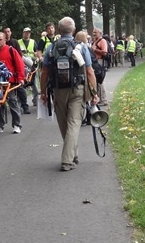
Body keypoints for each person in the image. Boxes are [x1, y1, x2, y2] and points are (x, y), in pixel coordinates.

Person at [40, 17, 99, 171]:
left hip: (58, 90)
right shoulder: (81, 47)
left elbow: (44, 72)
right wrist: (93, 92)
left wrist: (43, 92)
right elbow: (90, 72)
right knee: (74, 123)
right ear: (73, 30)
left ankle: (73, 155)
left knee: (65, 124)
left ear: (59, 30)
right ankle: (67, 161)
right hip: (77, 90)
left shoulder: (51, 48)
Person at [0, 32, 26, 133]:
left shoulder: (11, 50)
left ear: (5, 40)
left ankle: (17, 125)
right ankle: (0, 125)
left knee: (12, 102)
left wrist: (21, 78)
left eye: (0, 39)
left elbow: (20, 64)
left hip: (10, 82)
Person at [4, 26, 30, 114]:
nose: (7, 33)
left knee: (20, 88)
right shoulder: (1, 44)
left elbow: (19, 55)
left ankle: (25, 106)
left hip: (15, 68)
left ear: (10, 32)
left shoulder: (14, 42)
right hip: (5, 70)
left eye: (8, 31)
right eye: (5, 32)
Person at [18, 27, 40, 107]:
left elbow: (37, 52)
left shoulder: (33, 42)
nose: (27, 34)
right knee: (22, 82)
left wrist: (36, 56)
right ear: (23, 33)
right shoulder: (19, 42)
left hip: (32, 63)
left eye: (28, 33)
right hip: (22, 64)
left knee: (34, 82)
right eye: (26, 32)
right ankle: (21, 101)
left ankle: (36, 100)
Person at [91, 28, 109, 105]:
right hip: (95, 62)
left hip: (100, 62)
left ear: (100, 33)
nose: (94, 33)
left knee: (100, 80)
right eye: (93, 32)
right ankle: (100, 99)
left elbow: (105, 52)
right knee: (97, 81)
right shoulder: (95, 41)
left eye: (95, 32)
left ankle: (103, 100)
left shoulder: (102, 41)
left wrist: (95, 50)